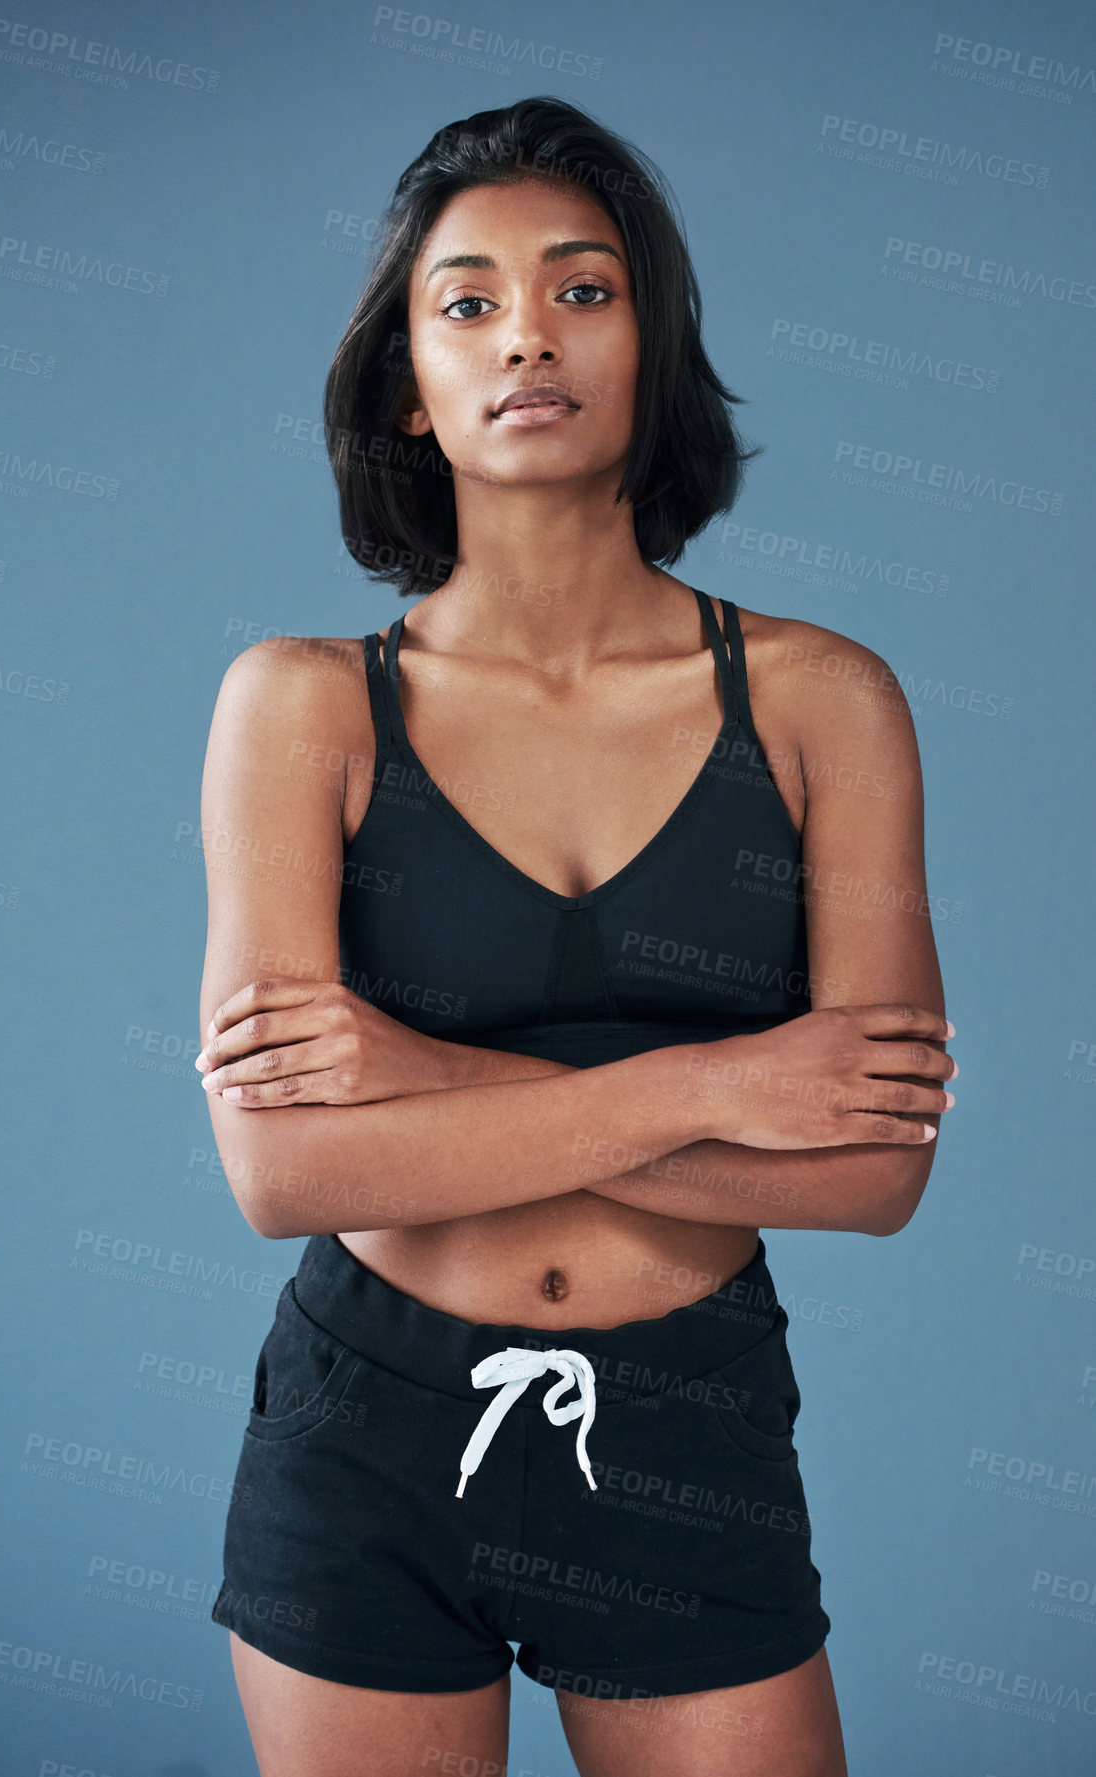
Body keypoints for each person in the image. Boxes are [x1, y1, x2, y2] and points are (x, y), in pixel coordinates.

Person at [195, 96, 955, 1777]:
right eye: (466, 300)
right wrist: (734, 1081)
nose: (525, 332)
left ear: (652, 343)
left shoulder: (826, 701)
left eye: (582, 289)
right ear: (409, 379)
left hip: (689, 1423)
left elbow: (877, 1172)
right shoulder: (299, 707)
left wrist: (415, 1084)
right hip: (366, 1430)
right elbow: (286, 1178)